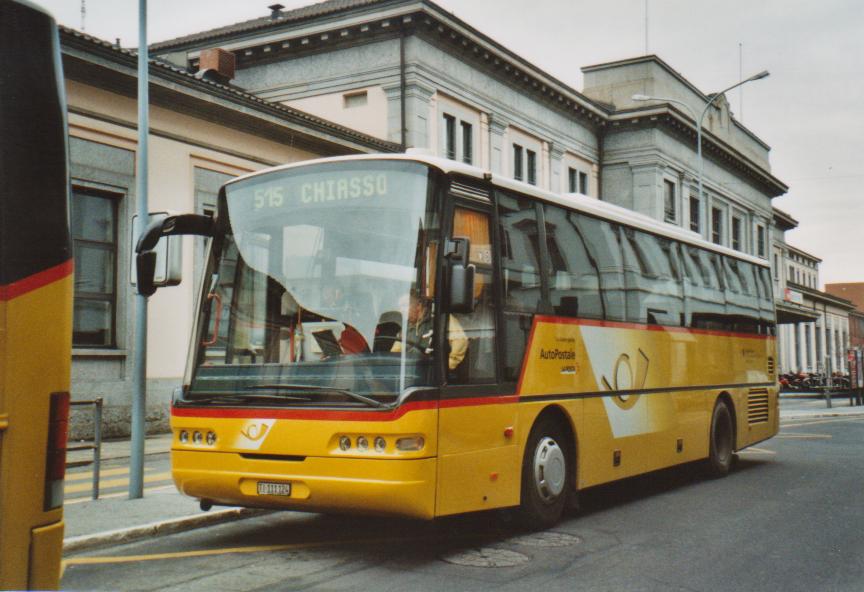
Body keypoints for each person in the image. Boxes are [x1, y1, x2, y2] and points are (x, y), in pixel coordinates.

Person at [391, 293, 467, 371]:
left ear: (418, 306)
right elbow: (395, 352)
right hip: (410, 372)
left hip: (431, 375)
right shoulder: (406, 326)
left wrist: (445, 366)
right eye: (399, 307)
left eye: (404, 305)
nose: (400, 310)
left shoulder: (440, 318)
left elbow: (460, 341)